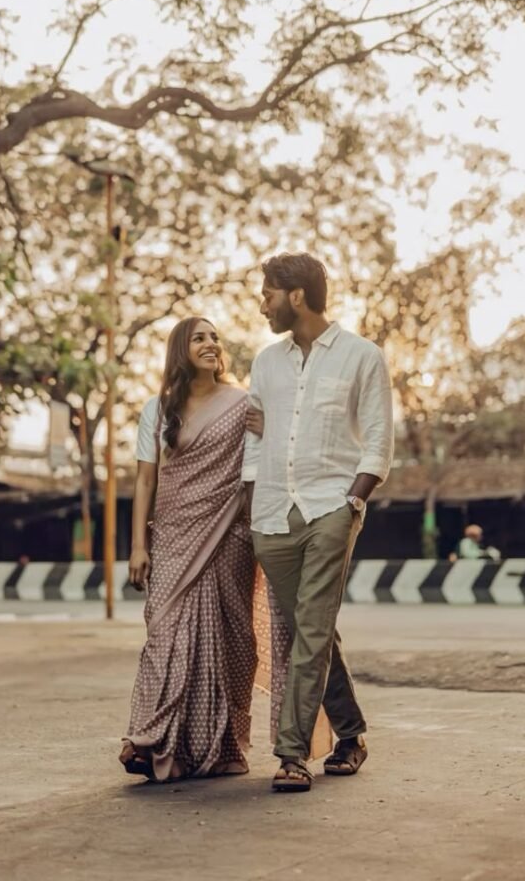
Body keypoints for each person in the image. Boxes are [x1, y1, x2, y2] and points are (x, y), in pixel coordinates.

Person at [242, 253, 394, 793]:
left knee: (308, 631)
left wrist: (354, 501)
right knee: (316, 630)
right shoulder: (266, 362)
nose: (263, 303)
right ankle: (351, 734)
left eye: (268, 293)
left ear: (297, 295)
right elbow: (253, 441)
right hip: (272, 518)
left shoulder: (362, 357)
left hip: (332, 507)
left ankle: (290, 754)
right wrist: (248, 507)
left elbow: (378, 440)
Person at [120, 317, 258, 782]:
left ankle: (222, 748)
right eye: (199, 337)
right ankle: (148, 739)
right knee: (163, 635)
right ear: (181, 349)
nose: (211, 344)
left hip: (230, 535)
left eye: (215, 337)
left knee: (230, 638)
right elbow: (145, 479)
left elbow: (262, 461)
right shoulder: (157, 411)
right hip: (174, 537)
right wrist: (139, 544)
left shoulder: (243, 404)